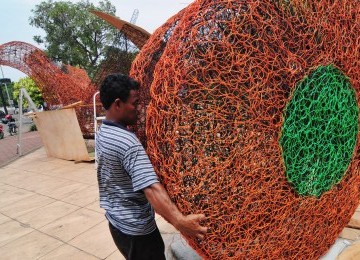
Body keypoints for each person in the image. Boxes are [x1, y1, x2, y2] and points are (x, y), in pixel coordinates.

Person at [96, 74, 207, 260]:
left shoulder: (103, 131)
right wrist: (180, 221)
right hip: (137, 230)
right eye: (135, 102)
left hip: (116, 222)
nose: (139, 108)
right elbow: (151, 188)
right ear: (117, 104)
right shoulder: (127, 142)